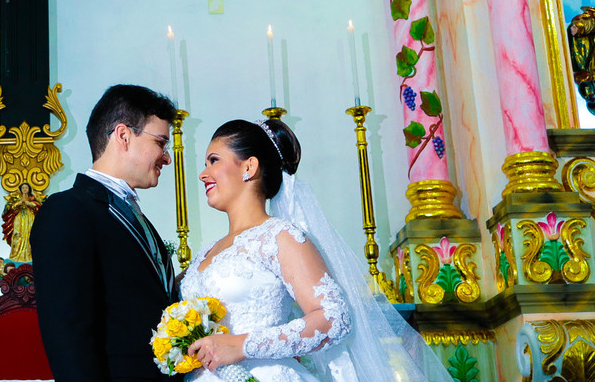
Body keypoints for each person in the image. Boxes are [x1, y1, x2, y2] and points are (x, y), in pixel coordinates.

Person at [182, 118, 452, 382]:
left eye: (214, 160)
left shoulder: (279, 237)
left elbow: (334, 318)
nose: (203, 174)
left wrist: (243, 345)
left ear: (249, 167)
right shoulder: (205, 253)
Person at [32, 84, 178, 382]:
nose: (167, 157)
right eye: (161, 142)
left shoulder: (134, 215)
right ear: (123, 135)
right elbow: (67, 332)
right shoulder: (67, 211)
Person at [1, 181, 41, 264]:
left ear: (29, 189)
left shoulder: (32, 198)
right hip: (19, 218)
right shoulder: (16, 198)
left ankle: (30, 256)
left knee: (30, 235)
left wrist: (29, 204)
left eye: (26, 188)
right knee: (17, 235)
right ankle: (16, 256)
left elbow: (38, 207)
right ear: (20, 189)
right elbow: (10, 208)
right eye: (23, 188)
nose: (24, 189)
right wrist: (18, 204)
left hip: (29, 218)